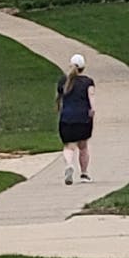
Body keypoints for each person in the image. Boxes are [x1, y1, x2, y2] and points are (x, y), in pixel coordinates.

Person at [56, 53, 96, 185]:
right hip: (83, 118)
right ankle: (84, 174)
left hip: (66, 118)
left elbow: (59, 99)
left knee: (69, 146)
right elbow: (91, 96)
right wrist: (92, 109)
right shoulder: (88, 82)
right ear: (83, 67)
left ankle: (69, 165)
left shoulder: (63, 81)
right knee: (83, 147)